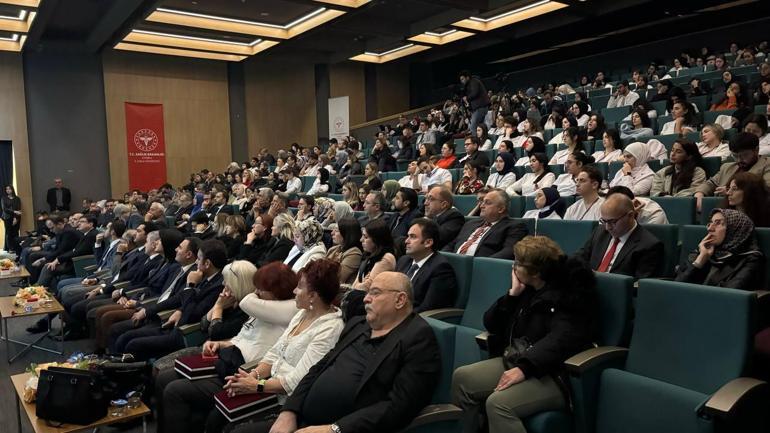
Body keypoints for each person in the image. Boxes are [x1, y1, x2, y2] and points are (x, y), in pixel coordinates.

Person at [234, 271, 440, 433]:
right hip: (302, 418)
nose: (366, 299)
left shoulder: (418, 338)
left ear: (400, 300)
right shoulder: (358, 325)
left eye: (375, 293)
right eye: (367, 293)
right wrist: (289, 411)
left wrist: (335, 429)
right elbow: (317, 369)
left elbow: (399, 406)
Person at [453, 236, 597, 433]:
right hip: (520, 359)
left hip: (554, 373)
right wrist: (512, 296)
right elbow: (491, 324)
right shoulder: (528, 289)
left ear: (536, 272)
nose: (513, 267)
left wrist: (524, 368)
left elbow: (560, 340)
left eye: (518, 263)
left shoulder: (569, 296)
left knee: (498, 403)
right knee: (463, 378)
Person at [213, 259, 345, 433]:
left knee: (234, 429)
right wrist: (251, 376)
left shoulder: (330, 329)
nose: (294, 291)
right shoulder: (302, 314)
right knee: (216, 412)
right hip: (268, 388)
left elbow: (297, 381)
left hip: (289, 404)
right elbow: (274, 353)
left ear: (313, 295)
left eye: (299, 287)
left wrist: (256, 385)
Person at [112, 239, 228, 360]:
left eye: (198, 259)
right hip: (172, 325)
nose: (196, 262)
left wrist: (190, 286)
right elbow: (178, 298)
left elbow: (193, 314)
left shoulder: (217, 286)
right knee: (125, 337)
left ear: (207, 263)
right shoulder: (204, 276)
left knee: (133, 344)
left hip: (185, 333)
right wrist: (179, 309)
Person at [575, 193, 664, 279]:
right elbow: (579, 258)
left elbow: (640, 285)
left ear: (630, 215)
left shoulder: (649, 245)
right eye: (604, 221)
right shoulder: (600, 232)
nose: (607, 227)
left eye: (612, 222)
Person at [676, 209, 765, 290]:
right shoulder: (704, 250)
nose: (710, 228)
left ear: (734, 229)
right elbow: (676, 288)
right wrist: (700, 260)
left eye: (718, 223)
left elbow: (728, 295)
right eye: (710, 223)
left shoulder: (751, 259)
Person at [695, 132, 770, 212]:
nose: (739, 160)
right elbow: (710, 183)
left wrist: (730, 191)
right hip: (722, 211)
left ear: (756, 150)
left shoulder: (767, 165)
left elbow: (766, 190)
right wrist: (699, 193)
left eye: (744, 155)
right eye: (735, 156)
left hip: (752, 211)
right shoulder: (727, 167)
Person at [444, 189, 528, 259]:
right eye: (482, 202)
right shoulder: (471, 223)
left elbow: (508, 252)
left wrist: (480, 263)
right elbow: (452, 244)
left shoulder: (515, 227)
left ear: (501, 209)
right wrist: (443, 257)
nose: (481, 206)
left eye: (487, 203)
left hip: (481, 269)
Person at [397, 218, 458, 312]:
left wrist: (396, 314)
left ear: (428, 242)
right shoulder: (403, 260)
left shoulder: (440, 269)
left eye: (413, 237)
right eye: (407, 236)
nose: (406, 241)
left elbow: (428, 308)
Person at [353, 219, 396, 290]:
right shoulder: (368, 255)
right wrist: (360, 283)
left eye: (366, 237)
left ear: (377, 239)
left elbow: (367, 287)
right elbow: (356, 284)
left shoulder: (386, 258)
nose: (361, 240)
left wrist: (360, 284)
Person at [424, 185, 465, 250]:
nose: (425, 203)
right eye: (426, 198)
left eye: (431, 199)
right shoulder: (434, 217)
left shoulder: (455, 217)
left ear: (443, 205)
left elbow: (438, 238)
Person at [325, 217, 363, 284]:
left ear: (347, 234)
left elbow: (337, 279)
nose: (332, 233)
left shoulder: (354, 253)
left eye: (336, 231)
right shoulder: (333, 249)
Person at [460, 70, 490, 137]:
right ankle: (482, 141)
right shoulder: (471, 83)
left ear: (467, 77)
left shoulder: (474, 81)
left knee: (473, 127)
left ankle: (475, 143)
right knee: (480, 127)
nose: (462, 81)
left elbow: (474, 93)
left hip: (480, 107)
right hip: (479, 107)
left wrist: (466, 98)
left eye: (462, 79)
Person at [2, 185, 22, 253]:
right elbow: (5, 209)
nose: (8, 190)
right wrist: (14, 211)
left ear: (12, 190)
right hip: (7, 218)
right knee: (9, 233)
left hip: (16, 217)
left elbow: (19, 209)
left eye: (9, 189)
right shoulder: (4, 198)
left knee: (15, 233)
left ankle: (16, 247)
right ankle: (10, 248)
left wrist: (16, 218)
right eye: (6, 189)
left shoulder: (17, 198)